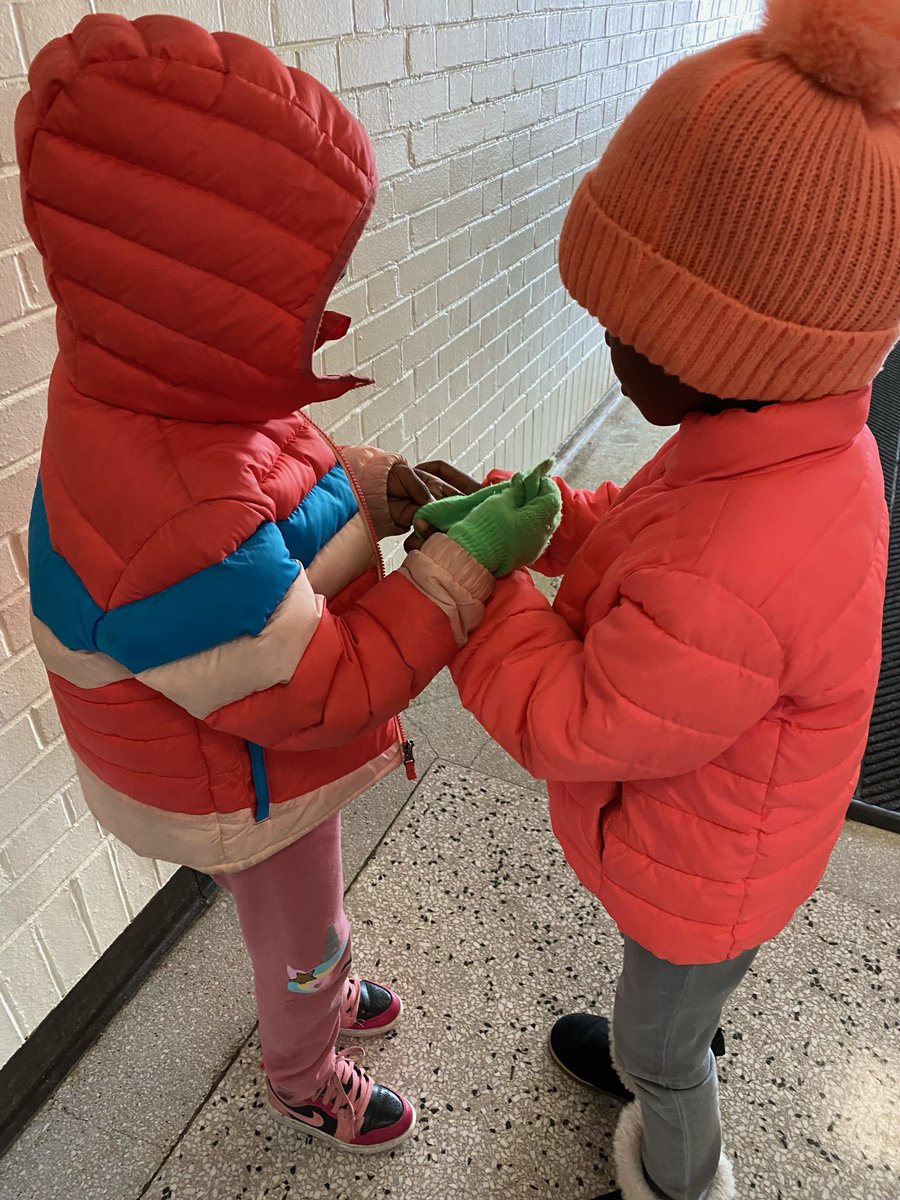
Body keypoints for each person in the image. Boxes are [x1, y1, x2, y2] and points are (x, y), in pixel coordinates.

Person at [15, 14, 558, 1155]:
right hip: (235, 778)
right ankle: (304, 1071)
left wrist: (380, 487)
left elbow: (270, 480)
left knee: (298, 915)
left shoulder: (161, 382)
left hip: (224, 733)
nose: (322, 314)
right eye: (302, 291)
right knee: (302, 930)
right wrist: (459, 569)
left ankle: (320, 978)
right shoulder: (166, 500)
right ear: (196, 292)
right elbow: (320, 692)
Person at [413, 0, 900, 1195]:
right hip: (727, 831)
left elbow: (577, 718)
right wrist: (541, 520)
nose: (611, 348)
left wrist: (478, 582)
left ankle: (682, 1169)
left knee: (660, 1049)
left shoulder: (742, 563)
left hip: (709, 878)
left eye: (637, 330)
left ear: (743, 350)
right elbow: (651, 539)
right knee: (678, 1003)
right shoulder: (788, 446)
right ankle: (680, 1038)